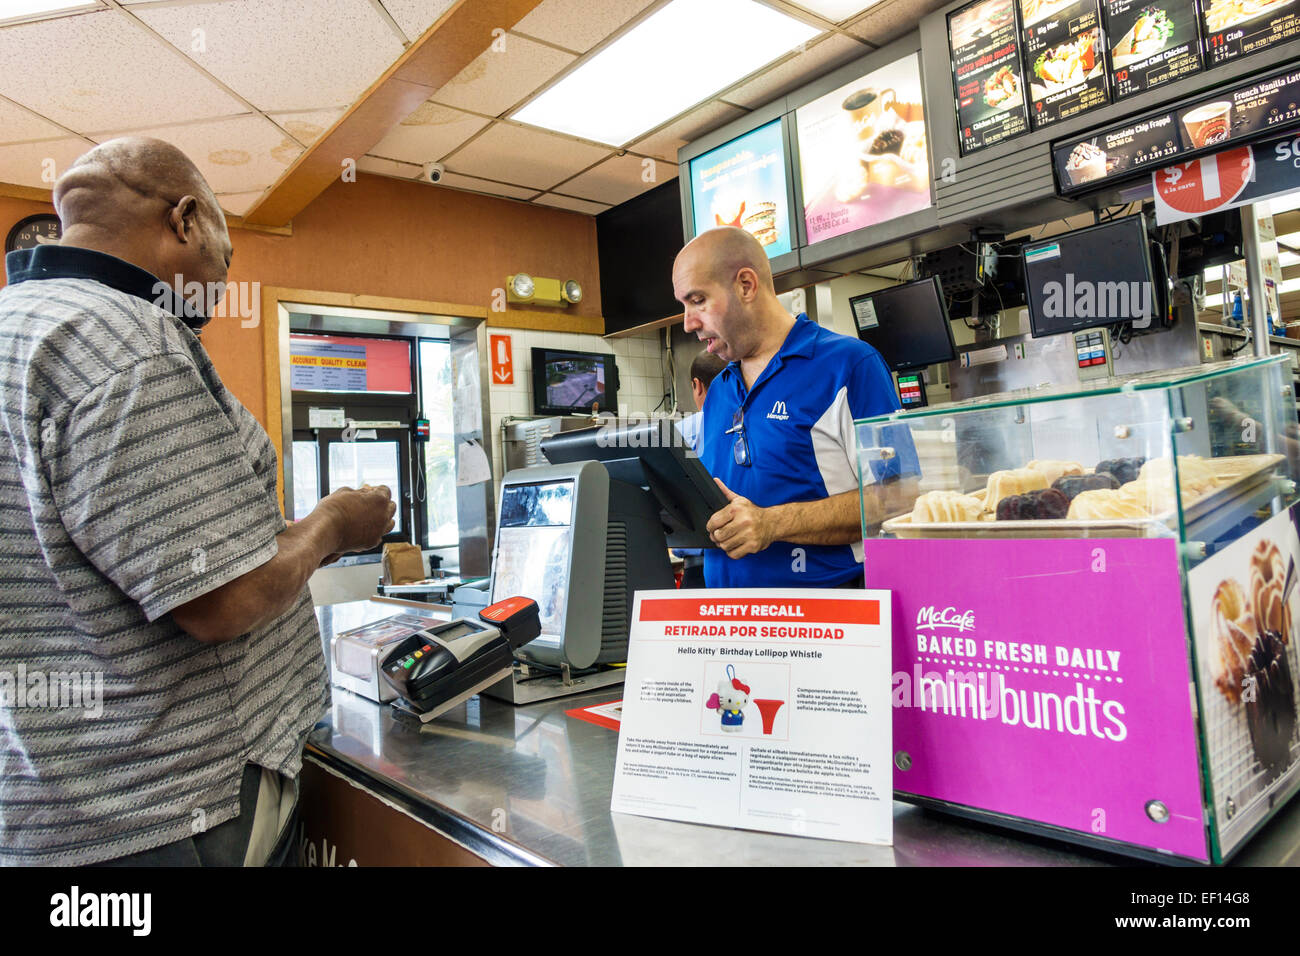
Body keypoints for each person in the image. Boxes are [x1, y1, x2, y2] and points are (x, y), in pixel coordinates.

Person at [0, 137, 395, 866]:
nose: (217, 290)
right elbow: (221, 597)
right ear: (185, 221)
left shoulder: (18, 326)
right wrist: (334, 524)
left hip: (54, 801)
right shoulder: (126, 340)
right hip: (170, 807)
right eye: (225, 259)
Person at [673, 226, 917, 589]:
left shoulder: (848, 365)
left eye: (698, 301)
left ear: (745, 285)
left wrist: (772, 524)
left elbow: (898, 496)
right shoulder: (721, 389)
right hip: (728, 624)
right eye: (684, 306)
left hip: (822, 623)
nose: (688, 322)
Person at [674, 350, 727, 588]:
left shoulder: (681, 434)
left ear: (697, 385)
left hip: (698, 568)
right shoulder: (756, 426)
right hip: (755, 561)